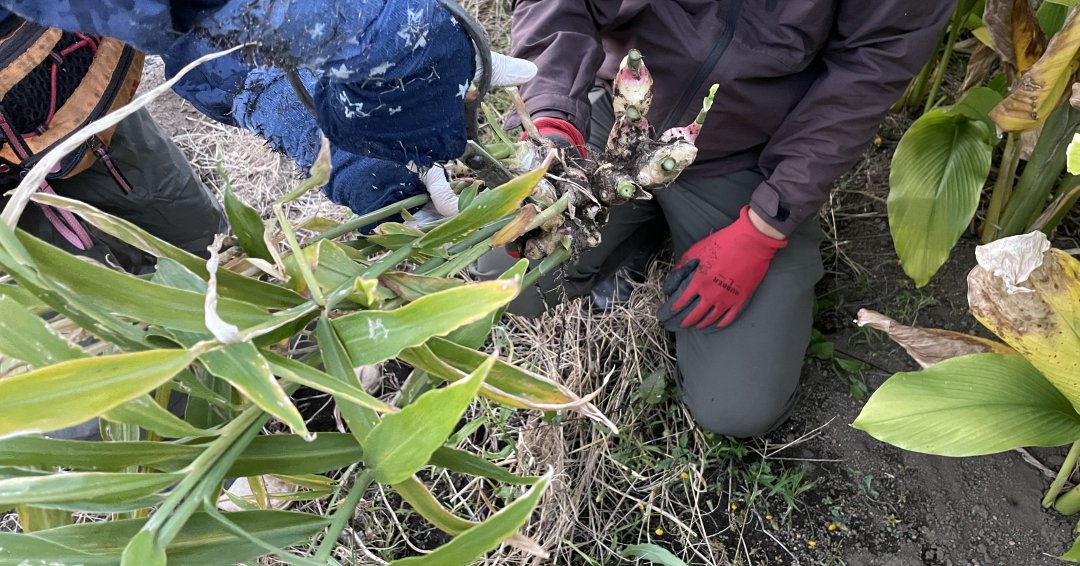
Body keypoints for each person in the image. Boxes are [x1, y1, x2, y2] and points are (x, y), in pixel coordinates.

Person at [475, 1, 955, 437]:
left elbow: (865, 78)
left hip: (743, 155)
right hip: (617, 113)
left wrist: (764, 228)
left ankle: (660, 223)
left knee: (735, 407)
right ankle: (640, 226)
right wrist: (553, 122)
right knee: (505, 282)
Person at [0, 0, 536, 273]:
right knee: (93, 359)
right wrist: (374, 35)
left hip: (96, 126)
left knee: (209, 258)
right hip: (11, 213)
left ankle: (284, 398)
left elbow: (189, 23)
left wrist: (323, 136)